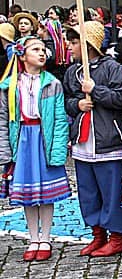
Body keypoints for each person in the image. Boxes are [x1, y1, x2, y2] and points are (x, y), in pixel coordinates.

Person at [63, 21, 122, 257]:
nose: (69, 46)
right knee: (88, 192)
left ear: (88, 45)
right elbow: (68, 101)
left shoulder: (112, 68)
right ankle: (97, 234)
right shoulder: (72, 71)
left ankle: (117, 237)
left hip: (108, 141)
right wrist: (78, 104)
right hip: (83, 143)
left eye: (74, 42)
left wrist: (95, 90)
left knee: (112, 192)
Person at [0, 37, 71, 262]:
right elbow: (3, 119)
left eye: (43, 50)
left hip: (44, 139)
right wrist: (5, 151)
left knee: (46, 193)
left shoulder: (52, 84)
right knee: (27, 193)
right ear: (22, 56)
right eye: (36, 49)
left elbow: (60, 119)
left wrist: (58, 149)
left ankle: (46, 238)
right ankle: (33, 238)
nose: (42, 53)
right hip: (22, 140)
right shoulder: (9, 85)